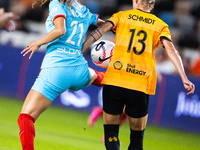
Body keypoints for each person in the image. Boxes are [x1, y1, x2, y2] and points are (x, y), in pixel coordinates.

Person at [82, 0, 195, 149]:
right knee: (136, 138)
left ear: (135, 1)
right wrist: (184, 77)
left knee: (110, 133)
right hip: (140, 85)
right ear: (152, 4)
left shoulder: (121, 16)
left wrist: (82, 49)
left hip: (115, 81)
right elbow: (171, 51)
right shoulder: (160, 25)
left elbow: (100, 31)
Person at [17, 0, 105, 149]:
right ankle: (127, 79)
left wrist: (38, 42)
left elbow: (60, 30)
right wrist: (86, 45)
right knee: (99, 77)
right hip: (79, 69)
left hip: (57, 70)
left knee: (25, 118)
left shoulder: (57, 4)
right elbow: (107, 25)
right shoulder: (83, 10)